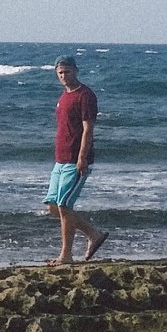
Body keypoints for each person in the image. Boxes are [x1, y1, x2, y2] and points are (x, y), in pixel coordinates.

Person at [43, 55, 108, 265]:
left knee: (64, 206)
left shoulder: (85, 95)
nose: (63, 76)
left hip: (75, 159)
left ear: (76, 71)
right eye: (60, 73)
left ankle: (66, 255)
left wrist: (81, 157)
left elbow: (88, 129)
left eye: (67, 72)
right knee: (53, 206)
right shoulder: (63, 97)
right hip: (60, 159)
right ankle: (93, 233)